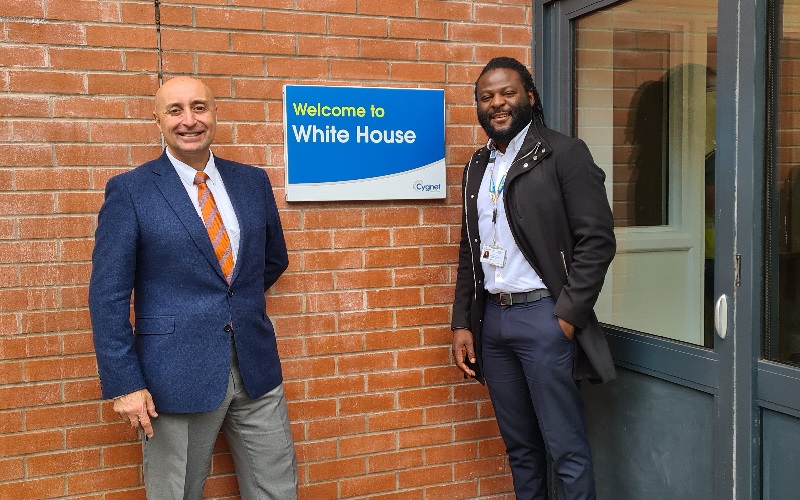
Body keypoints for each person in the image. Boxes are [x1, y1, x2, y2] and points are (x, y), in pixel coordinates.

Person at [89, 76, 297, 499]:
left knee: (277, 489)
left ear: (214, 113)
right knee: (177, 493)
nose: (189, 120)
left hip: (256, 368)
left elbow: (271, 259)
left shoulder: (252, 182)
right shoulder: (131, 190)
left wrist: (234, 306)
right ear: (158, 121)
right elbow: (107, 296)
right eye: (175, 110)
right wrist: (125, 382)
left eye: (199, 108)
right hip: (173, 375)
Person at [451, 57, 616, 500]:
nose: (497, 103)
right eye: (486, 97)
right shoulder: (478, 166)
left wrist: (565, 317)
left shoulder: (563, 153)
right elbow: (471, 250)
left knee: (565, 449)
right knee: (521, 449)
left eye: (507, 93)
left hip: (544, 318)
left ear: (529, 96)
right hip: (494, 324)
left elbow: (596, 241)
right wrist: (462, 322)